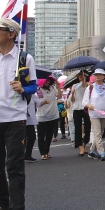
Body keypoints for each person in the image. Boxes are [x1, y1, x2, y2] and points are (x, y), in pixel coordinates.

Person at [0, 18, 37, 210]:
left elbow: (33, 87)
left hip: (15, 118)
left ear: (11, 34)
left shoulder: (24, 58)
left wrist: (23, 88)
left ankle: (17, 207)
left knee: (14, 167)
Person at [83, 69, 105, 161]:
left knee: (100, 133)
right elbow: (84, 101)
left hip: (104, 113)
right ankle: (101, 152)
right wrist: (89, 105)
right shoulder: (90, 88)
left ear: (104, 76)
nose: (98, 76)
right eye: (96, 75)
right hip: (94, 113)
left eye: (100, 75)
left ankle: (91, 151)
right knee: (97, 133)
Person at [36, 76, 61, 160]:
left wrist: (59, 88)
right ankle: (42, 153)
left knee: (49, 135)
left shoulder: (53, 88)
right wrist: (43, 102)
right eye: (46, 80)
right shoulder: (37, 90)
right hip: (41, 116)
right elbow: (35, 103)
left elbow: (59, 96)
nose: (48, 81)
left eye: (49, 80)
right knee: (41, 136)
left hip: (53, 115)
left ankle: (46, 152)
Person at [70, 70, 91, 156]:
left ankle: (85, 144)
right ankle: (80, 147)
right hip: (77, 108)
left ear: (86, 76)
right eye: (79, 76)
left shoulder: (89, 86)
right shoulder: (75, 86)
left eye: (82, 76)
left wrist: (87, 86)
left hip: (86, 108)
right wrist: (72, 94)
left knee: (88, 127)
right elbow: (72, 100)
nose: (81, 77)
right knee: (77, 128)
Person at [25, 92, 42, 162]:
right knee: (20, 139)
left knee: (32, 137)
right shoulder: (18, 94)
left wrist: (45, 101)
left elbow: (39, 102)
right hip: (19, 119)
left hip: (29, 119)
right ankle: (20, 156)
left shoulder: (32, 94)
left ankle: (27, 155)